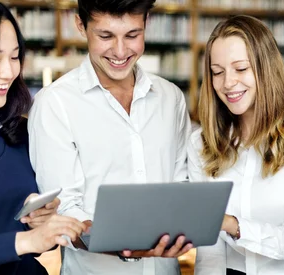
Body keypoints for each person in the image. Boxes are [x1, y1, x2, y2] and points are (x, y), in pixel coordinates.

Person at [27, 0, 192, 274]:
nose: (120, 51)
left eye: (132, 35)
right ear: (81, 26)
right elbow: (64, 207)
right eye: (105, 36)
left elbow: (182, 184)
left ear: (147, 23)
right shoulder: (55, 103)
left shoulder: (170, 98)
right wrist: (122, 243)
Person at [188, 15, 284, 275]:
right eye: (217, 72)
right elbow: (209, 251)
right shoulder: (201, 142)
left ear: (266, 69)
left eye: (241, 69)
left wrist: (232, 225)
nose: (228, 82)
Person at [0, 0, 86, 274]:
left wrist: (38, 223)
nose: (8, 72)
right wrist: (22, 240)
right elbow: (18, 243)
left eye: (14, 56)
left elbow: (39, 244)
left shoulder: (20, 132)